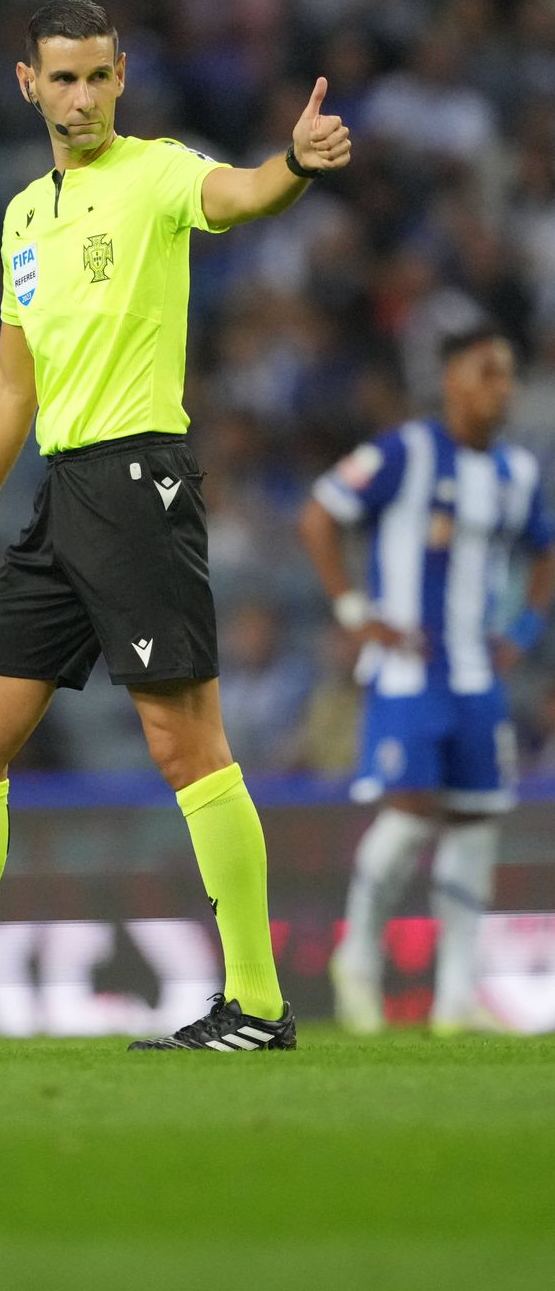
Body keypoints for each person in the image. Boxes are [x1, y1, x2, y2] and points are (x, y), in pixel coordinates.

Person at [0, 0, 351, 1054]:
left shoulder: (154, 173)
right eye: (61, 77)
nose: (81, 95)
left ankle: (255, 1003)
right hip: (60, 500)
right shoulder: (24, 217)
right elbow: (12, 391)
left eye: (97, 75)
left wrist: (289, 161)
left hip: (142, 483)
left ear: (123, 76)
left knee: (184, 742)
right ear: (29, 84)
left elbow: (238, 195)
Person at [298, 325, 554, 1033]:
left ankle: (454, 998)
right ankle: (358, 962)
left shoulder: (517, 473)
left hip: (478, 672)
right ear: (452, 381)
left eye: (508, 375)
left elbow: (544, 550)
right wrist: (355, 611)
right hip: (410, 668)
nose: (502, 388)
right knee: (411, 816)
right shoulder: (404, 453)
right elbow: (320, 514)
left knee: (475, 821)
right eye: (488, 373)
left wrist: (525, 632)